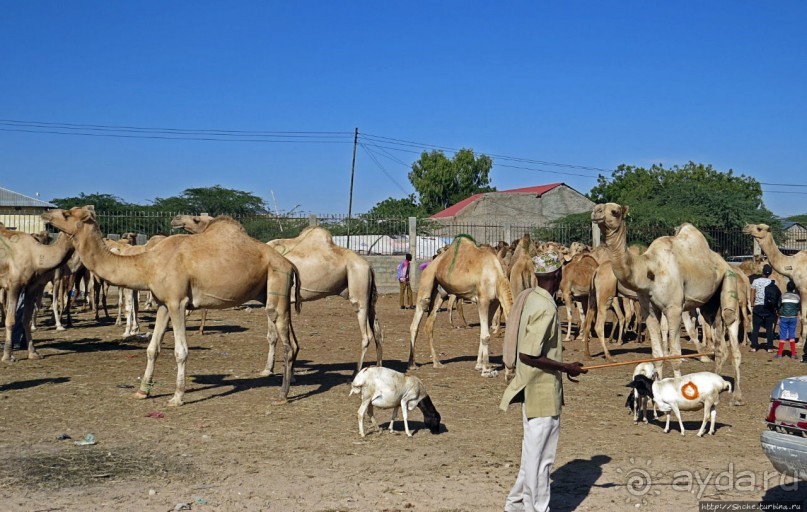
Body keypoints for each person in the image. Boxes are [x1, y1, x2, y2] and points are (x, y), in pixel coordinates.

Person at [500, 251, 587, 512]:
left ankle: (516, 504)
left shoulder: (532, 298)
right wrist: (565, 366)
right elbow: (528, 354)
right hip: (541, 391)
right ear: (557, 275)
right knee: (542, 460)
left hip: (533, 388)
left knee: (532, 455)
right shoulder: (546, 307)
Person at [749, 264, 778, 353]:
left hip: (758, 306)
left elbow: (752, 294)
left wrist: (752, 305)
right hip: (769, 307)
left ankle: (754, 347)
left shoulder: (755, 281)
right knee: (769, 329)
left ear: (762, 272)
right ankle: (769, 347)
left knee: (756, 328)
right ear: (770, 273)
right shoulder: (772, 282)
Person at [776, 280, 800, 360]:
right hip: (793, 317)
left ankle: (779, 354)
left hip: (784, 317)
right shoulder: (797, 297)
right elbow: (798, 307)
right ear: (794, 288)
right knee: (792, 335)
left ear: (787, 288)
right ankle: (793, 354)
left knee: (782, 335)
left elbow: (779, 305)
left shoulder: (783, 296)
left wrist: (779, 312)